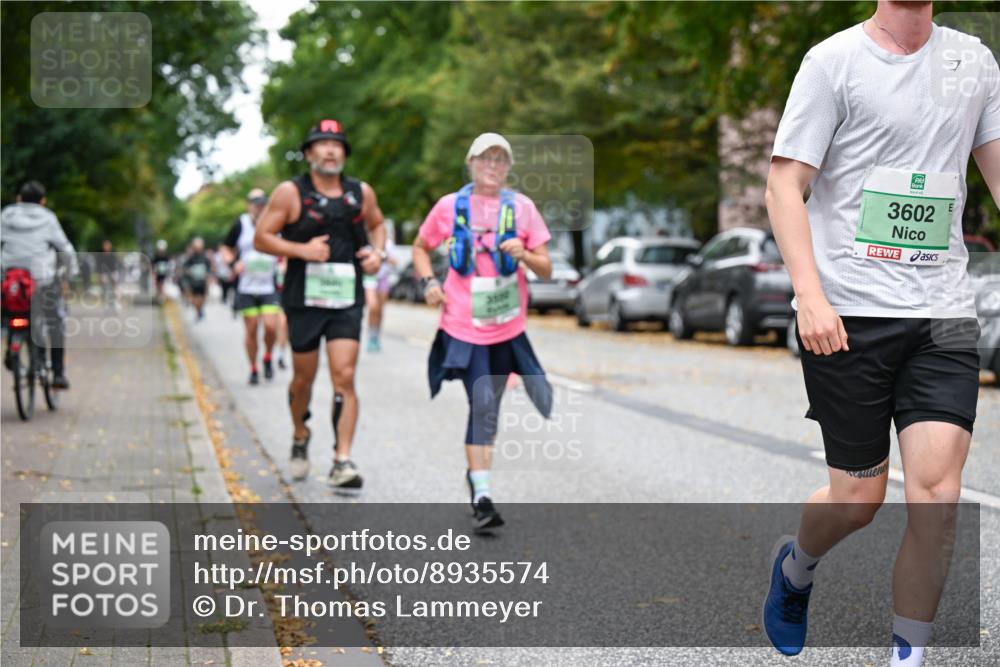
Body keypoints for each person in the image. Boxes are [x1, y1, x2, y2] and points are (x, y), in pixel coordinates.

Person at [763, 2, 1000, 665]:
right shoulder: (834, 63)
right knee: (858, 498)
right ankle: (796, 568)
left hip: (942, 310)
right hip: (850, 313)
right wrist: (810, 295)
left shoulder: (972, 62)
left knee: (938, 492)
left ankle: (908, 656)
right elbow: (785, 185)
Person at [412, 132, 554, 531]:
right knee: (483, 404)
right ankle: (483, 494)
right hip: (462, 323)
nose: (493, 166)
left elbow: (546, 267)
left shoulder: (523, 208)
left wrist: (524, 254)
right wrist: (428, 283)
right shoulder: (449, 207)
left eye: (500, 159)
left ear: (508, 167)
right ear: (470, 163)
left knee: (489, 407)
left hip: (507, 326)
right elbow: (421, 246)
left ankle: (478, 483)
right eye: (485, 158)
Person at [254, 119, 386, 489]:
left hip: (346, 297)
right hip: (304, 299)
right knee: (303, 379)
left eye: (337, 144)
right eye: (322, 144)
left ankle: (342, 460)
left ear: (344, 153)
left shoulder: (361, 193)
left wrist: (378, 252)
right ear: (309, 153)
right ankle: (300, 434)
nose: (330, 150)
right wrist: (302, 250)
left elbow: (377, 225)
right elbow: (262, 238)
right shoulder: (289, 193)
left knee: (344, 375)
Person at [0, 180, 78, 388]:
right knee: (55, 322)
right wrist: (70, 274)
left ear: (19, 199)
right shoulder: (48, 218)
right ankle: (59, 374)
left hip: (9, 282)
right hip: (41, 281)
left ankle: (11, 349)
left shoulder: (6, 215)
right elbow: (66, 250)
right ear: (42, 202)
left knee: (11, 313)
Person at [222, 189, 281, 385]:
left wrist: (284, 263)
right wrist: (232, 264)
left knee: (272, 327)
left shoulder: (276, 223)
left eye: (263, 202)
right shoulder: (241, 224)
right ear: (249, 205)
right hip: (246, 287)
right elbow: (226, 248)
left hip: (268, 286)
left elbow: (286, 246)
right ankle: (253, 368)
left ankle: (268, 357)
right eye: (255, 202)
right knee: (252, 328)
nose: (259, 206)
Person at [364, 220, 398, 352]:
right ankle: (371, 335)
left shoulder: (388, 244)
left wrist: (382, 256)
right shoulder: (365, 242)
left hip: (383, 278)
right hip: (370, 278)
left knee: (380, 310)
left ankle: (376, 335)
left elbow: (395, 261)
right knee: (373, 306)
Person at [183, 237, 211, 321]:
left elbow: (209, 269)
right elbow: (185, 268)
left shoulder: (205, 258)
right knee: (194, 299)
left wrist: (207, 275)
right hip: (193, 282)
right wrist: (189, 272)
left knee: (202, 298)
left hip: (202, 282)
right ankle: (198, 312)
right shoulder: (191, 258)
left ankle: (200, 309)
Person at [95, 238, 119, 311]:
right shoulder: (100, 255)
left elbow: (115, 265)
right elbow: (99, 265)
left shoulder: (112, 254)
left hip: (112, 272)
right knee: (105, 289)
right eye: (105, 245)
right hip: (104, 273)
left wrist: (114, 273)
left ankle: (114, 304)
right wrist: (101, 275)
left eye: (107, 245)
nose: (106, 247)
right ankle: (107, 305)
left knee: (114, 288)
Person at [212, 243, 235, 307]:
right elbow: (215, 265)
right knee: (223, 286)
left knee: (229, 287)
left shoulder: (229, 254)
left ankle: (228, 298)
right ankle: (224, 298)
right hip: (221, 273)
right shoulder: (217, 256)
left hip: (228, 273)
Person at [152, 239, 171, 305]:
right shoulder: (156, 258)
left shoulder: (167, 257)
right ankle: (159, 299)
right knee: (158, 287)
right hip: (158, 275)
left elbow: (169, 267)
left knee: (163, 286)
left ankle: (162, 299)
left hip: (164, 275)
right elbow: (153, 267)